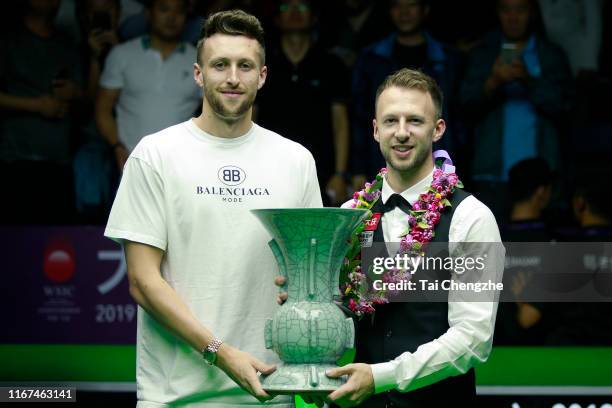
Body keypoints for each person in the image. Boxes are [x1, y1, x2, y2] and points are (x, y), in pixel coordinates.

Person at [104, 9, 322, 407]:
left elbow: (310, 276)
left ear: (263, 75)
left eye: (245, 66)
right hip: (174, 397)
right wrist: (222, 354)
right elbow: (142, 281)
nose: (233, 77)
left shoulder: (296, 160)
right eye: (220, 65)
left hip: (270, 393)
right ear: (199, 74)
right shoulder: (155, 155)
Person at [278, 68, 504, 407]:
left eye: (414, 120)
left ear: (437, 129)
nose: (401, 133)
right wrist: (305, 298)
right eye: (390, 121)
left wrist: (381, 377)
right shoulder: (350, 214)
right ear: (375, 130)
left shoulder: (472, 218)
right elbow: (342, 307)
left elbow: (473, 338)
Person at [459, 0, 573, 217]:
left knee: (541, 248)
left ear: (532, 13)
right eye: (505, 9)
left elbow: (565, 107)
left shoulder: (550, 55)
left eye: (520, 9)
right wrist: (492, 82)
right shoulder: (482, 55)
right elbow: (463, 107)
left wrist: (530, 81)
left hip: (540, 180)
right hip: (492, 177)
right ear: (497, 13)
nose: (513, 17)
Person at [350, 0, 464, 190]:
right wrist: (357, 169)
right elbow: (359, 117)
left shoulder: (449, 60)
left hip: (442, 163)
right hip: (377, 162)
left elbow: (459, 118)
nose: (404, 12)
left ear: (425, 9)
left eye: (411, 5)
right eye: (397, 6)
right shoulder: (370, 59)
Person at [255, 0, 350, 205]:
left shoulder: (332, 65)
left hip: (321, 170)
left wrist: (341, 174)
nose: (295, 12)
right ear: (277, 19)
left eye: (303, 7)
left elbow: (340, 123)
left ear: (314, 17)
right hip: (267, 168)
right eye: (286, 7)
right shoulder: (262, 65)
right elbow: (250, 116)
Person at [0, 0, 82, 224]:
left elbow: (87, 97)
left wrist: (75, 92)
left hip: (59, 160)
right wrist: (35, 105)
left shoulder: (67, 44)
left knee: (56, 238)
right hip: (16, 159)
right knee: (16, 243)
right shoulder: (8, 41)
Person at [95, 0, 201, 171]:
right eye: (164, 9)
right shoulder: (122, 54)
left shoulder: (201, 61)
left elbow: (215, 114)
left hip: (182, 169)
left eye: (179, 11)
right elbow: (102, 109)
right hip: (132, 166)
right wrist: (116, 146)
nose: (172, 17)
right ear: (148, 13)